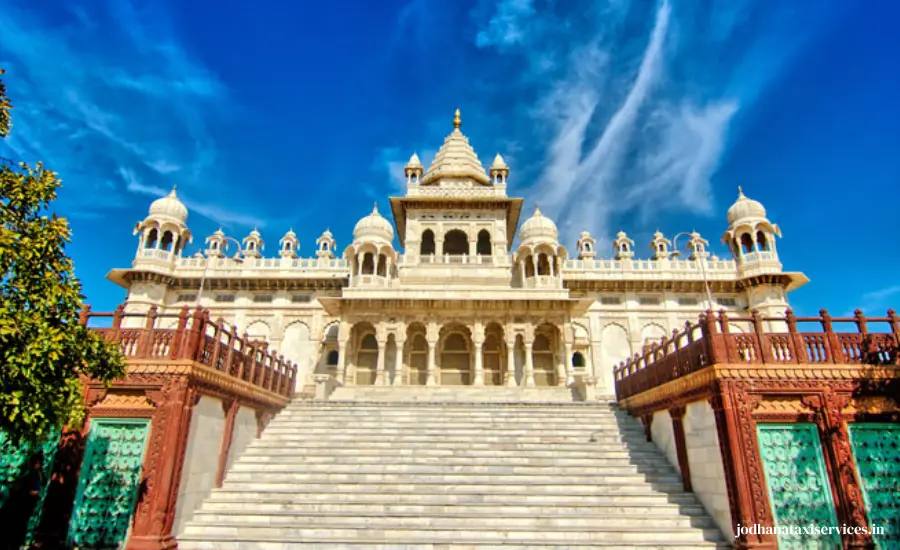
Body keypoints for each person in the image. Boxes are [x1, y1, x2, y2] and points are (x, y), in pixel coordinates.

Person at [0, 451, 45, 550]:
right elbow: (32, 491)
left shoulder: (33, 474)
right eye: (39, 463)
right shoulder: (33, 474)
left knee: (12, 532)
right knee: (14, 532)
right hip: (20, 510)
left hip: (19, 509)